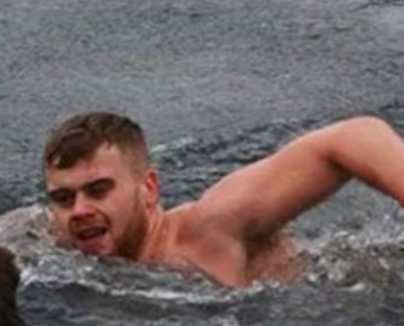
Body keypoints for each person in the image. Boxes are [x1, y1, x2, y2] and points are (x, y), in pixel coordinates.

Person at [42, 112, 404, 287]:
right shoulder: (56, 243)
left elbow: (353, 136)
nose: (80, 211)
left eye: (98, 190)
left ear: (148, 189)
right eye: (63, 198)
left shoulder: (210, 227)